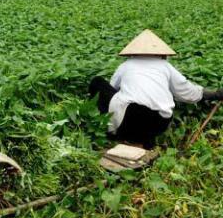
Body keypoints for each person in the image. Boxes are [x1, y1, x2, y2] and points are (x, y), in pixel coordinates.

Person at [89, 29, 223, 149]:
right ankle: (145, 141)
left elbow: (112, 90)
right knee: (138, 111)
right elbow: (187, 92)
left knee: (98, 82)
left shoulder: (126, 65)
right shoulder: (165, 66)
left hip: (131, 120)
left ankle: (106, 131)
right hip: (159, 123)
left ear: (132, 53)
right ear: (162, 54)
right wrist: (215, 94)